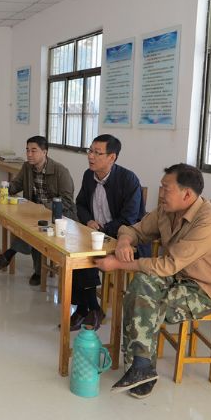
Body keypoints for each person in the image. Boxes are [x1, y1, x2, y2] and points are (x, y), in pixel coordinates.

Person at [94, 163, 211, 399]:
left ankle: (140, 367)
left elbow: (168, 264)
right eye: (161, 187)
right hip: (179, 275)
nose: (160, 194)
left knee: (147, 302)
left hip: (208, 288)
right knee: (140, 285)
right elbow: (135, 230)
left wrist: (118, 264)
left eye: (166, 189)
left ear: (187, 194)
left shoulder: (209, 221)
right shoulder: (167, 210)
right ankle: (141, 366)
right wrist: (124, 242)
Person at [70, 134, 147, 331]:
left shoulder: (128, 180)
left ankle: (86, 309)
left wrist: (103, 230)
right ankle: (90, 308)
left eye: (97, 153)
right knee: (73, 253)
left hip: (125, 239)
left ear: (112, 157)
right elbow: (80, 204)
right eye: (90, 151)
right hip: (97, 234)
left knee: (87, 256)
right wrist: (89, 220)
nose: (91, 156)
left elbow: (130, 219)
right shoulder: (89, 175)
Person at [0, 135, 77, 286]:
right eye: (27, 150)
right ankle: (37, 270)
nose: (29, 154)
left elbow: (67, 201)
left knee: (35, 230)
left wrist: (45, 207)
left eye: (33, 150)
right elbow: (17, 184)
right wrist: (5, 188)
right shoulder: (27, 167)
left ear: (45, 152)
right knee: (26, 225)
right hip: (36, 213)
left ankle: (12, 255)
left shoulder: (60, 171)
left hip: (59, 216)